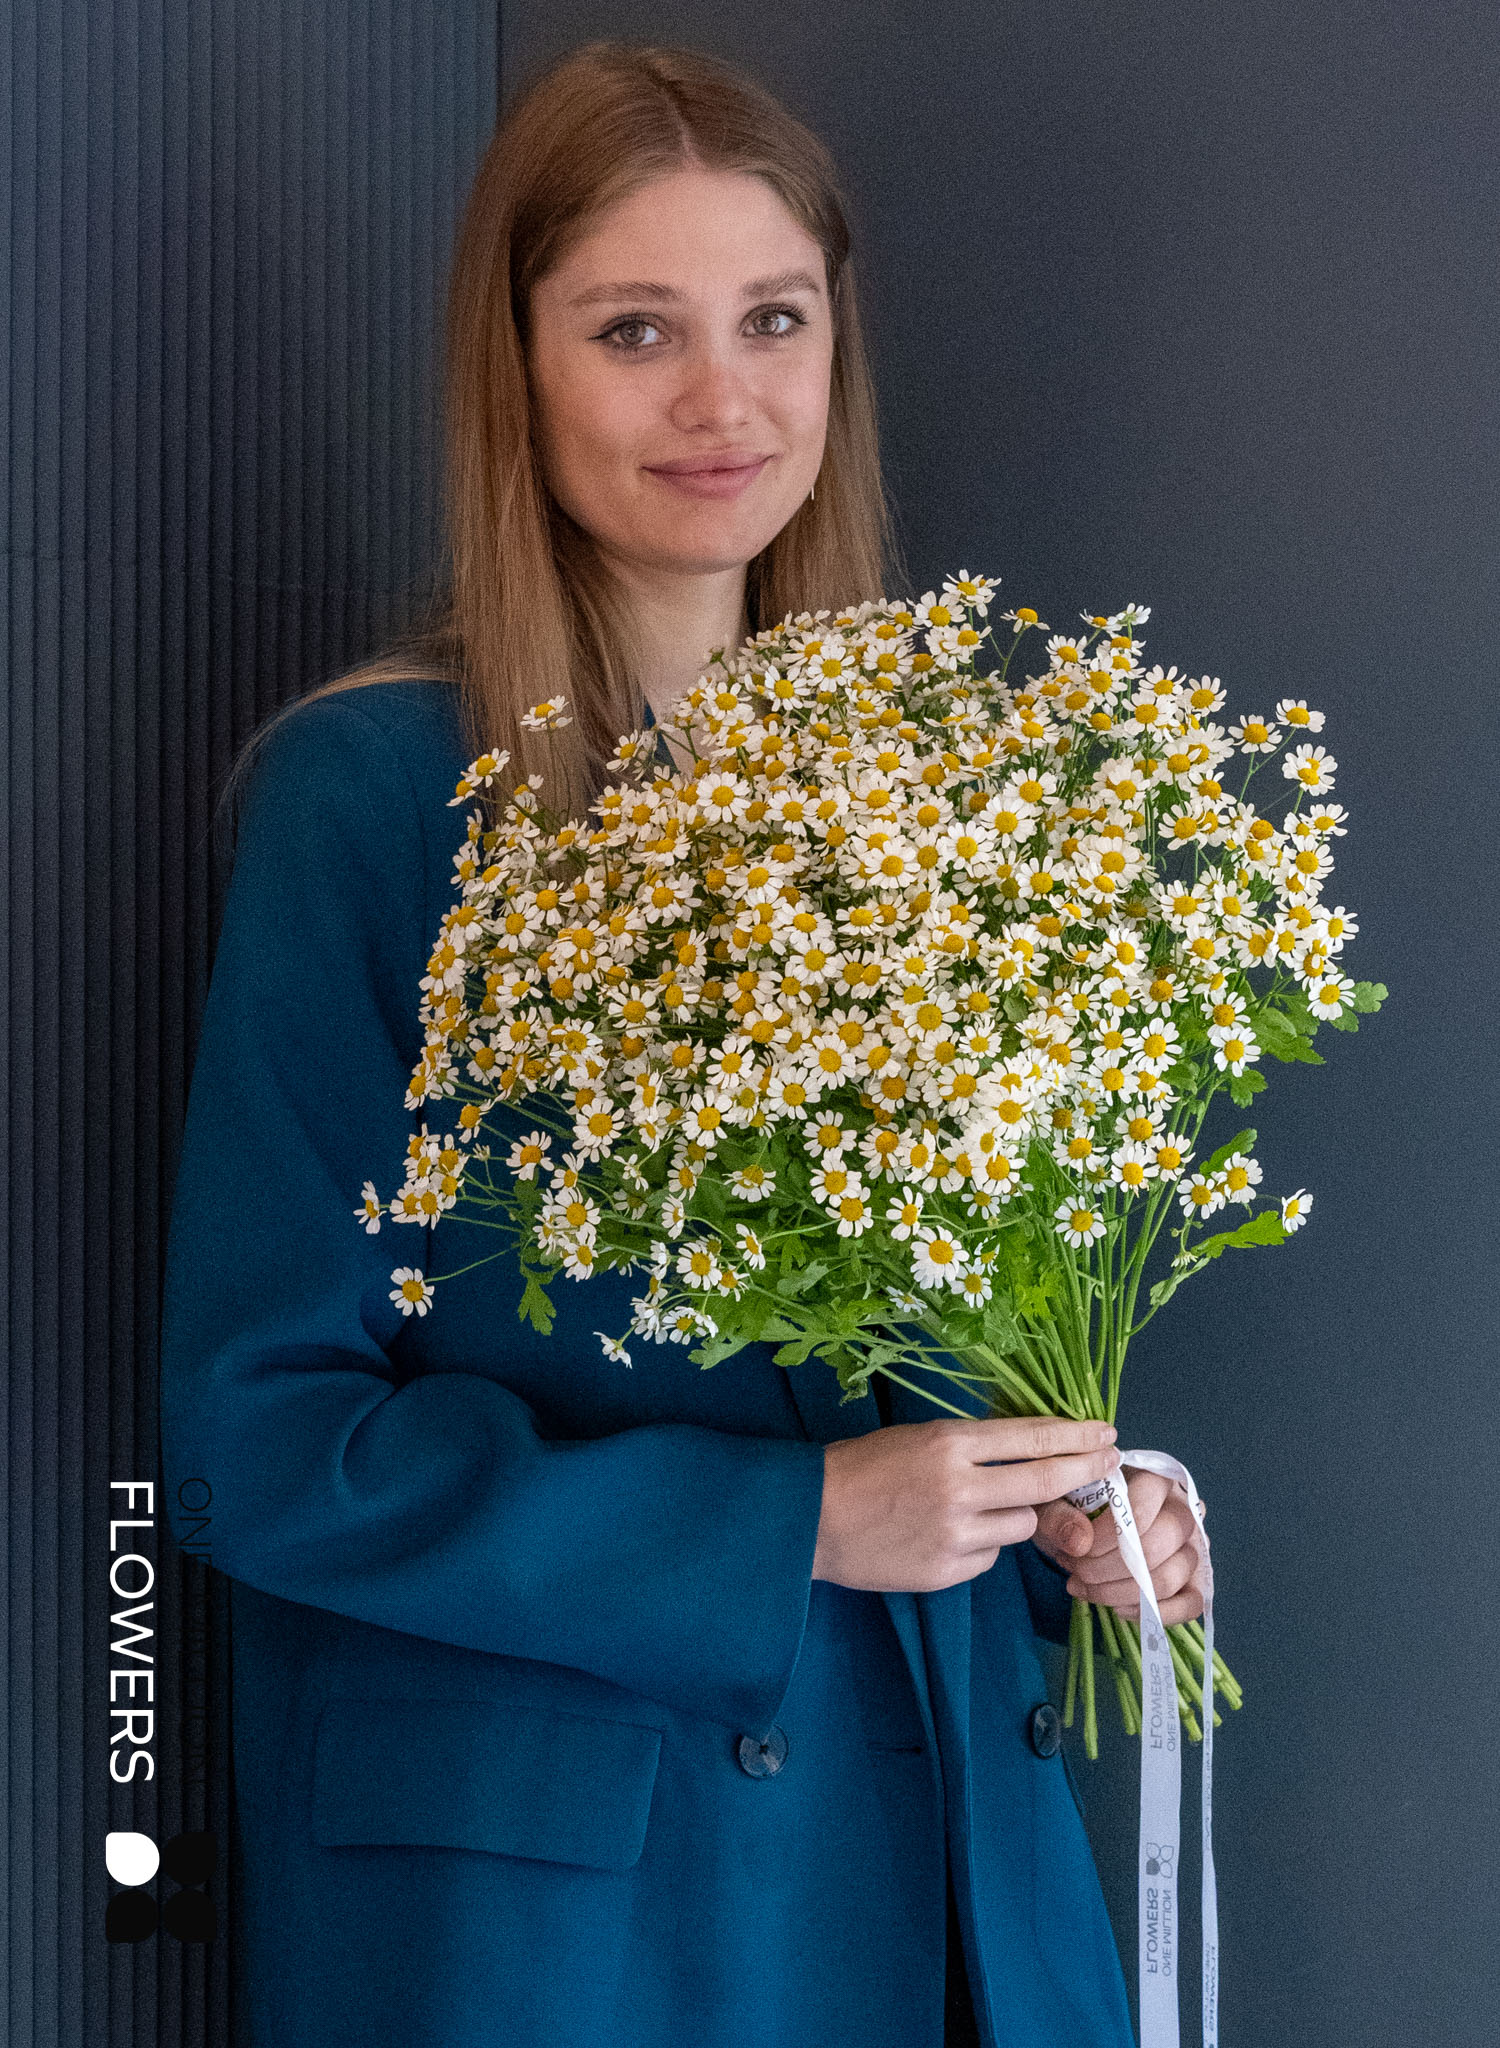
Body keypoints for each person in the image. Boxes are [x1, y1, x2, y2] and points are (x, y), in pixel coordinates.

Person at [158, 39, 1206, 2048]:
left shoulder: (924, 811)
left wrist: (1068, 1521)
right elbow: (262, 1442)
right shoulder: (374, 800)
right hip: (571, 1937)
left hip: (942, 1875)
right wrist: (793, 1524)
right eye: (637, 329)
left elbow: (909, 1384)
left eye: (773, 320)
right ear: (518, 368)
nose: (723, 401)